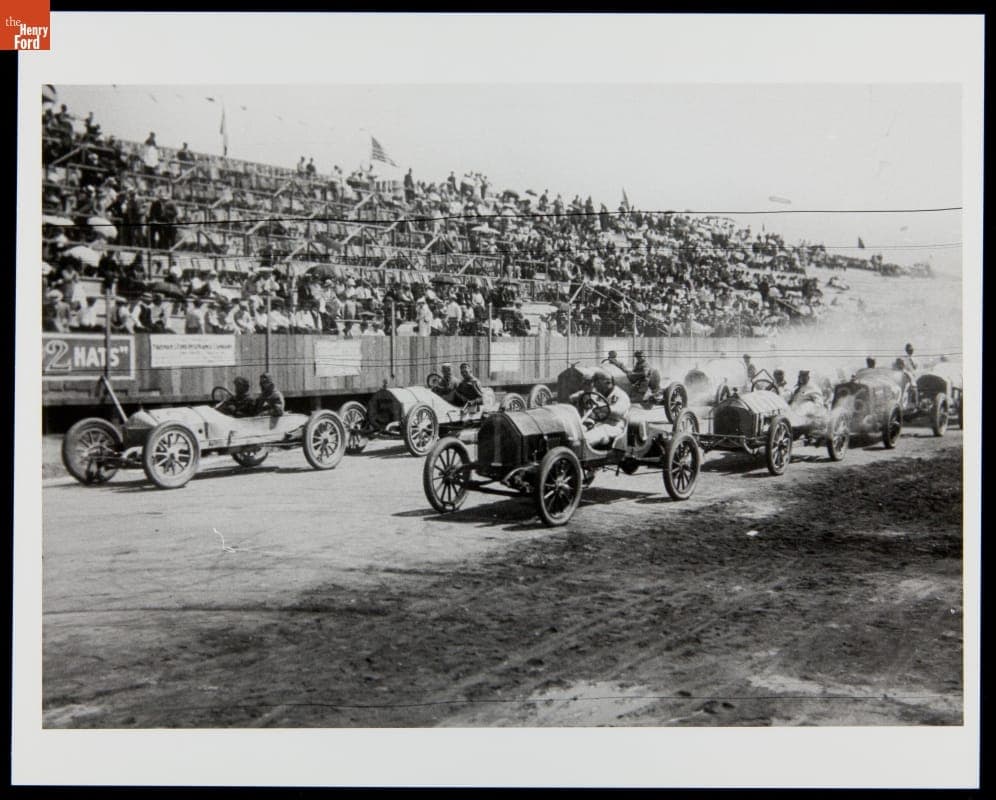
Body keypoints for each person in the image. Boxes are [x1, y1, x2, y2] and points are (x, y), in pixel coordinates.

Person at [570, 368, 630, 449]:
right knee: (576, 431)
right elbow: (579, 396)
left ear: (607, 383)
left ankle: (578, 450)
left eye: (597, 383)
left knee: (590, 436)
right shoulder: (599, 393)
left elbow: (619, 412)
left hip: (614, 426)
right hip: (598, 423)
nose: (595, 386)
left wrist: (601, 406)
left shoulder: (621, 395)